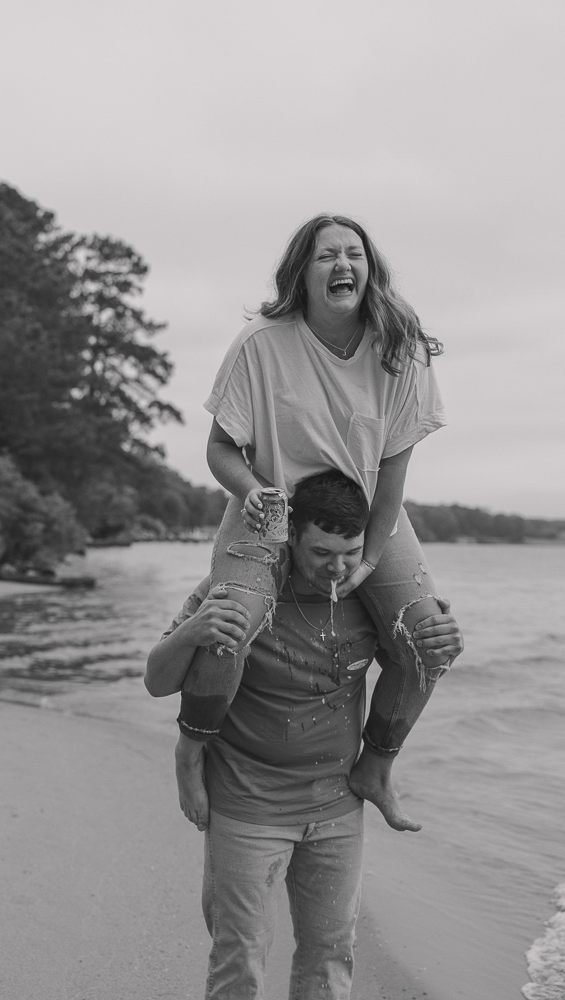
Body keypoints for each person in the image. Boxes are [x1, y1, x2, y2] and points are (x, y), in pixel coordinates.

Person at [175, 213, 458, 835]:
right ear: (301, 273)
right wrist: (251, 489)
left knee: (427, 640)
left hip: (363, 515)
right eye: (326, 255)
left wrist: (368, 559)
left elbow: (392, 472)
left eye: (354, 253)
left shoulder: (400, 347)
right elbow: (221, 449)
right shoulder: (261, 343)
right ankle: (191, 750)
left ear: (370, 269)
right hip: (270, 509)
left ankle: (375, 767)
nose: (342, 265)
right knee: (227, 631)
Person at [145, 471, 463, 1000]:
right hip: (248, 806)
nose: (337, 570)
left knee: (330, 954)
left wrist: (442, 638)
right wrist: (191, 631)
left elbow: (411, 667)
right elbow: (157, 681)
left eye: (351, 553)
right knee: (239, 957)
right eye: (321, 553)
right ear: (291, 535)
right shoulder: (245, 591)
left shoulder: (369, 599)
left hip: (336, 807)